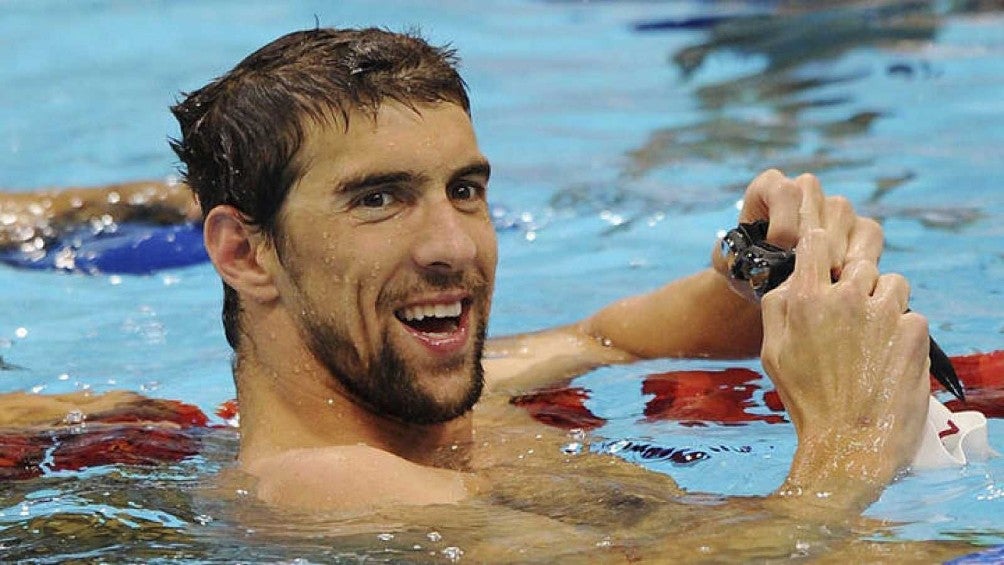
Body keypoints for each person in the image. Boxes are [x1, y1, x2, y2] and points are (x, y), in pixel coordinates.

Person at [0, 27, 933, 549]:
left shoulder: (443, 396)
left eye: (465, 190)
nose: (454, 246)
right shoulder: (327, 490)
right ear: (246, 252)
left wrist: (761, 263)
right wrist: (848, 447)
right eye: (378, 198)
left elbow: (614, 337)